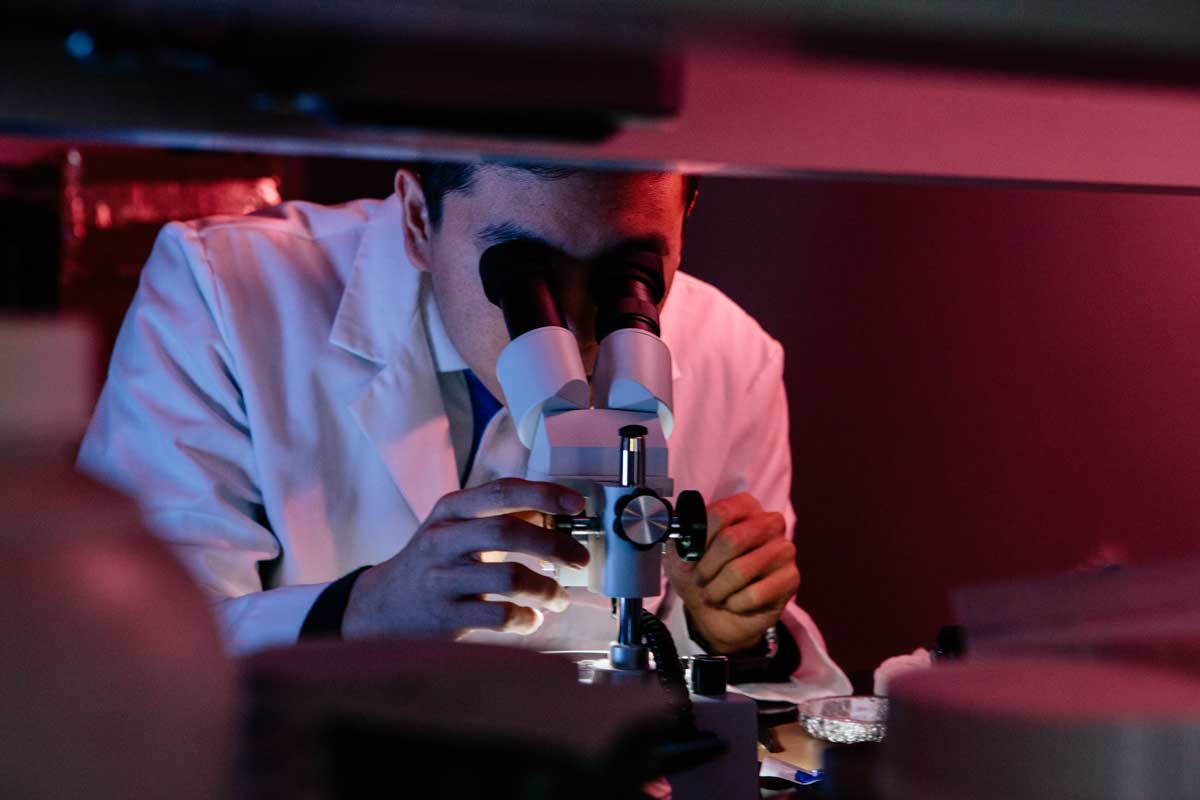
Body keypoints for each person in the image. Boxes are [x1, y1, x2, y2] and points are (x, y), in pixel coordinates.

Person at [78, 161, 849, 699]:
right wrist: (365, 612)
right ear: (417, 218)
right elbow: (118, 663)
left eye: (631, 276)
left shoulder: (730, 353)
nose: (579, 331)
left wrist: (737, 633)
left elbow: (756, 697)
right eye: (525, 280)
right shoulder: (226, 297)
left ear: (686, 212)